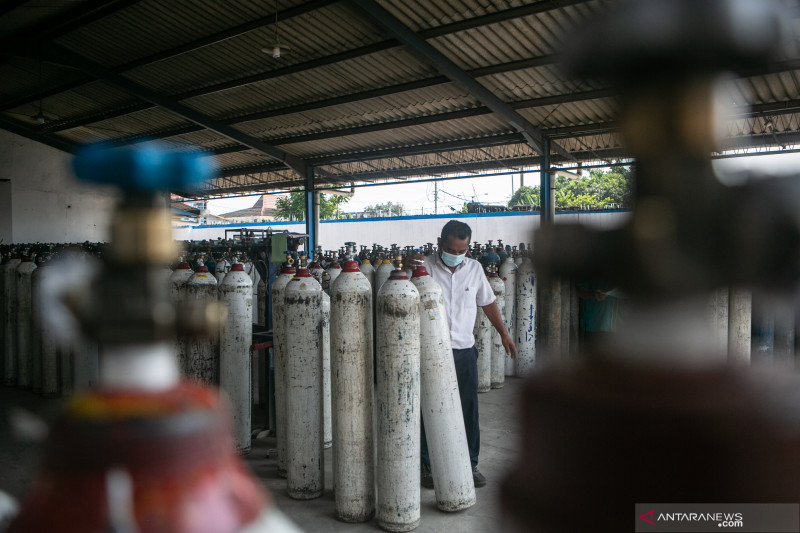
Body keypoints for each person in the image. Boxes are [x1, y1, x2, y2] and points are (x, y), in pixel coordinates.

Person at [410, 220, 517, 489]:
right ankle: (428, 465)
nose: (457, 255)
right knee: (428, 408)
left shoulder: (474, 269)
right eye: (452, 249)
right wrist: (406, 270)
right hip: (430, 351)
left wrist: (503, 334)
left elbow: (488, 302)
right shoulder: (423, 269)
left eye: (463, 250)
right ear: (440, 243)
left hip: (464, 352)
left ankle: (470, 463)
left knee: (468, 408)